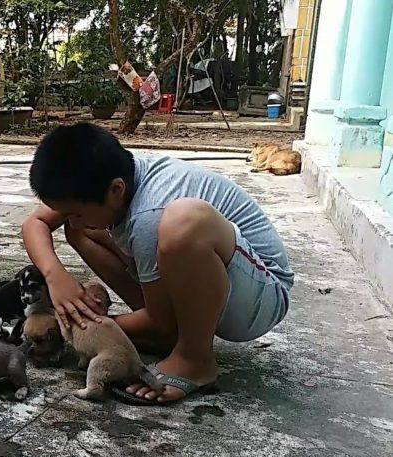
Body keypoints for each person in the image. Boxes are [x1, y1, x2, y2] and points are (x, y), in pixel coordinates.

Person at [21, 123, 293, 404]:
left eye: (75, 212)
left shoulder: (150, 213)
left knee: (183, 222)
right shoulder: (111, 174)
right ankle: (166, 326)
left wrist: (82, 329)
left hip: (259, 295)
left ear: (116, 190)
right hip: (213, 279)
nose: (72, 218)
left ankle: (194, 358)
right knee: (81, 229)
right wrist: (55, 276)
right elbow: (34, 223)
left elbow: (159, 320)